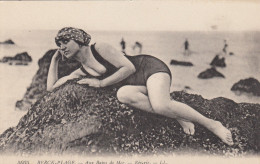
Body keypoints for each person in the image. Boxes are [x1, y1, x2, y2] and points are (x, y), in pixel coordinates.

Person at [47, 27, 234, 146]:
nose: (61, 46)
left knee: (160, 105)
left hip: (149, 69)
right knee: (123, 95)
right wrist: (54, 59)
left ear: (79, 41)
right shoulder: (82, 70)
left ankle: (212, 124)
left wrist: (101, 83)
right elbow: (52, 88)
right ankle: (176, 112)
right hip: (137, 86)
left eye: (65, 41)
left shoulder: (100, 48)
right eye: (59, 44)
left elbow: (129, 67)